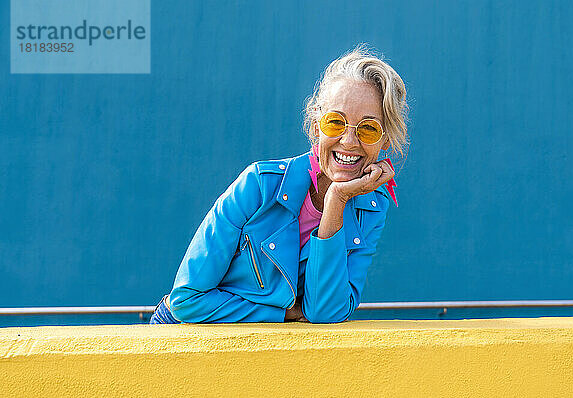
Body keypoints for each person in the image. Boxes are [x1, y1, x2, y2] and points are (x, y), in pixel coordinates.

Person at [149, 45, 408, 324]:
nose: (348, 141)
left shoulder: (371, 205)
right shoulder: (259, 186)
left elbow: (325, 313)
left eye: (368, 128)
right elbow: (187, 301)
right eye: (335, 123)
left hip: (265, 347)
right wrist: (284, 313)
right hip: (186, 331)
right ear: (316, 125)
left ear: (386, 140)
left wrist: (336, 200)